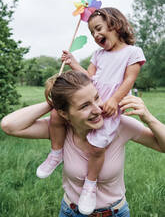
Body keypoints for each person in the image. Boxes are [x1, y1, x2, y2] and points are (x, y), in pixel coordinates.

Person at [1, 70, 165, 217]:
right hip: (70, 212)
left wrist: (149, 118)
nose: (98, 109)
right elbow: (9, 126)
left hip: (114, 213)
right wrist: (53, 102)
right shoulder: (60, 129)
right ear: (64, 113)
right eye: (85, 105)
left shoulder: (119, 125)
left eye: (96, 98)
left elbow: (162, 146)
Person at [36, 7, 146, 214]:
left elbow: (129, 79)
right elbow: (88, 78)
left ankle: (90, 184)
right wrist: (73, 62)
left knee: (97, 147)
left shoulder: (132, 52)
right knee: (55, 116)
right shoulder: (98, 54)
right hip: (91, 101)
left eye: (98, 29)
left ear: (115, 25)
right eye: (92, 32)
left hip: (109, 109)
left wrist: (114, 99)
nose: (96, 35)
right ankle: (56, 153)